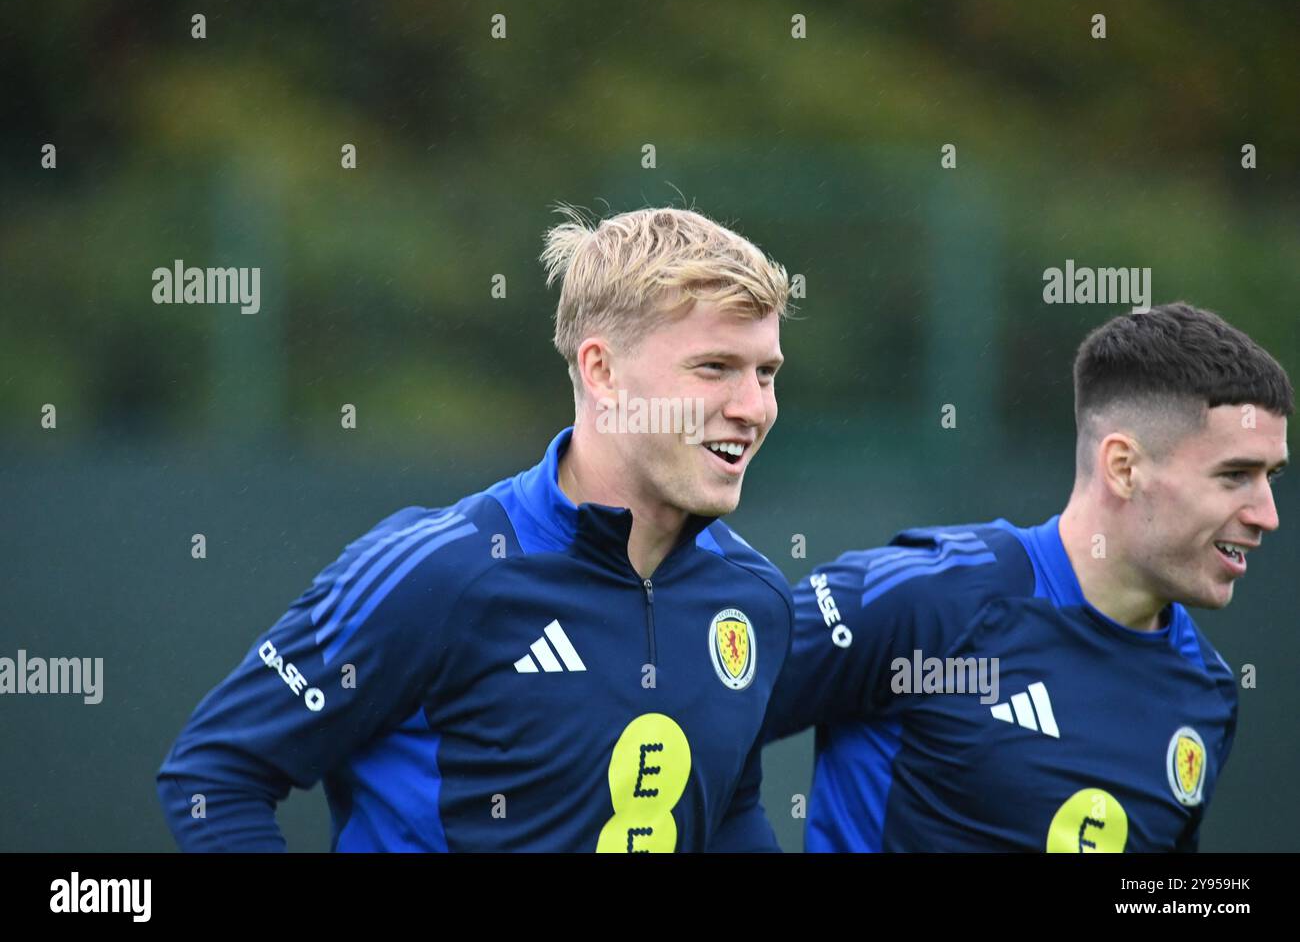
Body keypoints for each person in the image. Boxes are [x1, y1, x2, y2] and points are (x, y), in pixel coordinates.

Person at [158, 205, 794, 851]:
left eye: (765, 373)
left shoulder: (754, 599)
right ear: (603, 372)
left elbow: (731, 813)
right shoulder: (439, 573)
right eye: (714, 368)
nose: (752, 408)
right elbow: (216, 775)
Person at [767, 302, 1290, 851]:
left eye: (1271, 477)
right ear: (1124, 468)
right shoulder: (928, 600)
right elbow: (703, 719)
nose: (1268, 515)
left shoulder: (1205, 694)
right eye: (1235, 476)